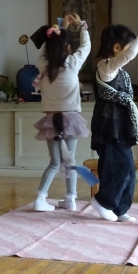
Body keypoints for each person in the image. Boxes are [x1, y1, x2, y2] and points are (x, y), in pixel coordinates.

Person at [89, 21, 138, 222]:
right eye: (127, 47)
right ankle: (103, 202)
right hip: (108, 128)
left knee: (128, 169)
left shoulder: (121, 73)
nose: (130, 53)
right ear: (117, 47)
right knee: (116, 167)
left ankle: (119, 208)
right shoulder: (106, 67)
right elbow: (128, 55)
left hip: (121, 128)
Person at [31, 14, 91, 212]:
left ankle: (41, 198)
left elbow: (45, 50)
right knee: (69, 161)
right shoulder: (72, 63)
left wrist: (59, 29)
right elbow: (86, 47)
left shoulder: (44, 66)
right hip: (70, 119)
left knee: (55, 162)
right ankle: (70, 198)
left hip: (51, 119)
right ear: (68, 48)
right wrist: (81, 26)